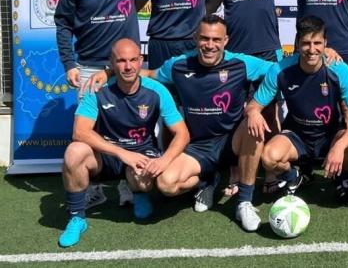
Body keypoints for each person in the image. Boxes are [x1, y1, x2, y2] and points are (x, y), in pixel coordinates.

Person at [86, 15, 273, 231]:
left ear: (226, 41)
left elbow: (278, 71)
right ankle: (208, 180)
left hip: (232, 141)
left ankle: (244, 202)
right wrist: (108, 71)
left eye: (216, 39)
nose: (210, 45)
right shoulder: (179, 65)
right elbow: (146, 73)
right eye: (204, 38)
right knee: (166, 185)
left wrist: (254, 107)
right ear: (195, 38)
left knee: (254, 125)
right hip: (197, 147)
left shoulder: (241, 63)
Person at [57, 39, 188, 248]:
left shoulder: (156, 90)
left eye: (133, 60)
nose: (128, 66)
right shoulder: (98, 89)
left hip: (142, 155)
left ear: (141, 61)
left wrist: (165, 160)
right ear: (112, 63)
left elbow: (182, 133)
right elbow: (79, 132)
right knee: (74, 152)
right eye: (121, 61)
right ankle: (77, 217)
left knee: (143, 181)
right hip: (108, 156)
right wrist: (121, 153)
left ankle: (139, 193)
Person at [54, 0, 139, 209]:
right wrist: (69, 63)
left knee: (128, 125)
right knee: (90, 131)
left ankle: (128, 183)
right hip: (90, 68)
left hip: (126, 68)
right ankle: (94, 188)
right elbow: (63, 24)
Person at [205, 0, 285, 194]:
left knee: (271, 112)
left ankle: (273, 173)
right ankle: (236, 174)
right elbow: (210, 5)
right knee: (237, 114)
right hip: (235, 53)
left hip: (268, 49)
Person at [248, 16, 348, 207]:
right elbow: (254, 104)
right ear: (297, 43)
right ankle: (294, 175)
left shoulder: (339, 69)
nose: (312, 50)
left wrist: (338, 147)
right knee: (269, 157)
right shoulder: (281, 69)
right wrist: (253, 112)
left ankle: (342, 178)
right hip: (297, 135)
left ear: (325, 43)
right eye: (306, 43)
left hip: (331, 135)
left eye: (317, 43)